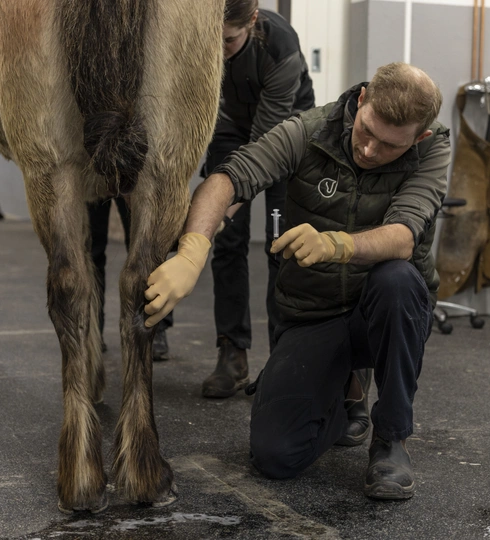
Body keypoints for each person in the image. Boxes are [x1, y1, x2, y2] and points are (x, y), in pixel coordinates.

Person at [144, 63, 451, 499]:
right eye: (366, 131)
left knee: (398, 280)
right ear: (361, 100)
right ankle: (344, 398)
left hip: (380, 313)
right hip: (313, 313)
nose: (368, 150)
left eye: (388, 146)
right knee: (275, 456)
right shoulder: (309, 130)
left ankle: (391, 439)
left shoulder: (432, 149)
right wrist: (193, 249)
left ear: (417, 138)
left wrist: (337, 245)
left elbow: (403, 236)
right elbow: (229, 177)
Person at [201, 0, 318, 399]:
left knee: (279, 246)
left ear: (251, 22)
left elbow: (264, 148)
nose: (219, 51)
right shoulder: (204, 36)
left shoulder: (280, 44)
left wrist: (219, 209)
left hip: (286, 131)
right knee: (228, 244)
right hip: (230, 126)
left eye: (229, 41)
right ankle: (231, 354)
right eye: (213, 42)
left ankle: (281, 360)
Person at [87, 197, 171, 360]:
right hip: (89, 172)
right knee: (90, 248)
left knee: (144, 248)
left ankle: (153, 326)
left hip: (136, 171)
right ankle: (92, 329)